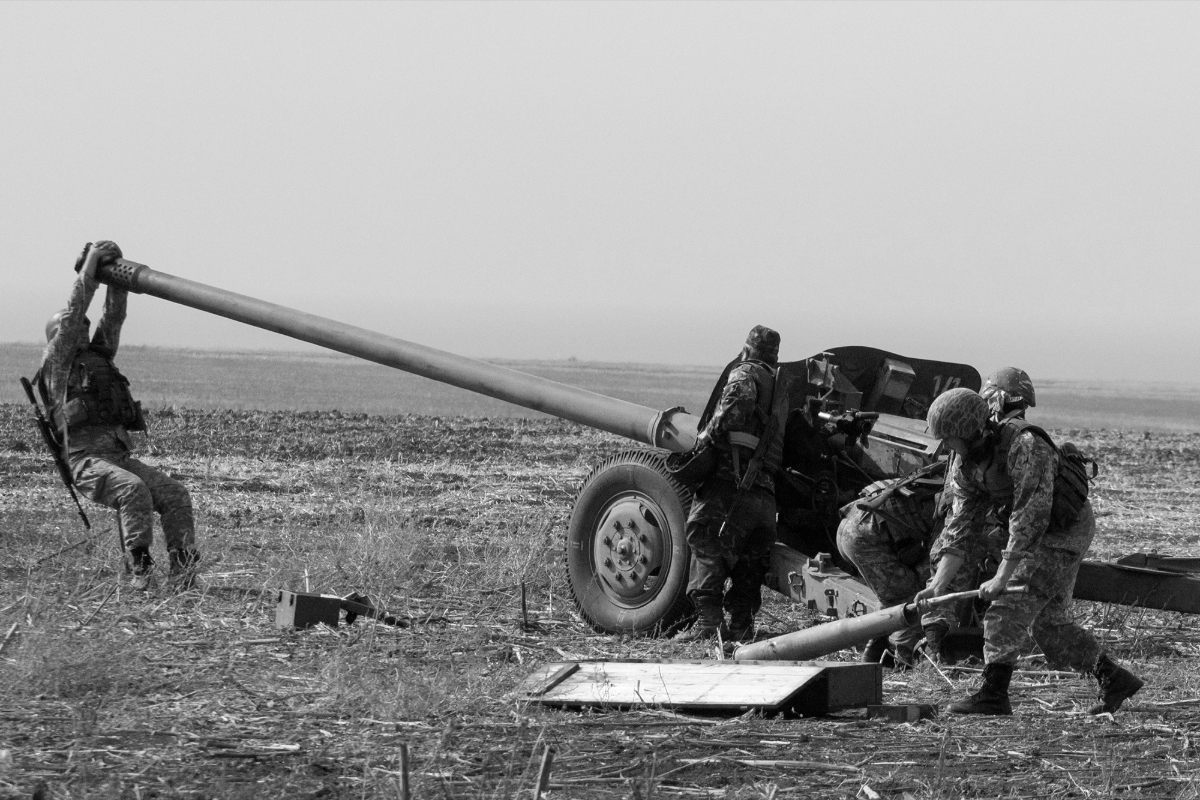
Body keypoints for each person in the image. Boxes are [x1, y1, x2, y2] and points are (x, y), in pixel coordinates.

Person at [914, 387, 1143, 715]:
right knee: (1049, 627)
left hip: (1062, 531)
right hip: (1034, 533)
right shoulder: (965, 464)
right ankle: (1115, 679)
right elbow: (961, 527)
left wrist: (1002, 578)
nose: (946, 447)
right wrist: (938, 585)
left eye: (949, 439)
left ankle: (993, 694)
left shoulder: (1025, 445)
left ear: (970, 431)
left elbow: (1029, 518)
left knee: (1005, 609)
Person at [39, 241, 201, 591]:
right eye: (76, 328)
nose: (83, 331)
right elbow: (74, 312)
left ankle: (183, 569)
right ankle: (140, 569)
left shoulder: (99, 358)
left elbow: (113, 318)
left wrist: (118, 277)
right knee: (132, 489)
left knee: (175, 493)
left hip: (118, 458)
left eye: (85, 327)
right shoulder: (57, 366)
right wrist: (90, 269)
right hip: (86, 463)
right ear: (59, 337)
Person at [674, 325, 787, 643]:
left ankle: (708, 623)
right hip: (764, 493)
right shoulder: (779, 388)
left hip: (731, 482)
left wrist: (704, 438)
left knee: (705, 540)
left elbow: (733, 413)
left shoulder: (745, 373)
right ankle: (741, 626)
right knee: (750, 561)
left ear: (747, 350)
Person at [836, 467, 944, 668]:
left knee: (891, 593)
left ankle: (875, 652)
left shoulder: (943, 482)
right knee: (909, 594)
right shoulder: (955, 501)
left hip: (852, 524)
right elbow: (937, 559)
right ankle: (902, 661)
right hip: (864, 536)